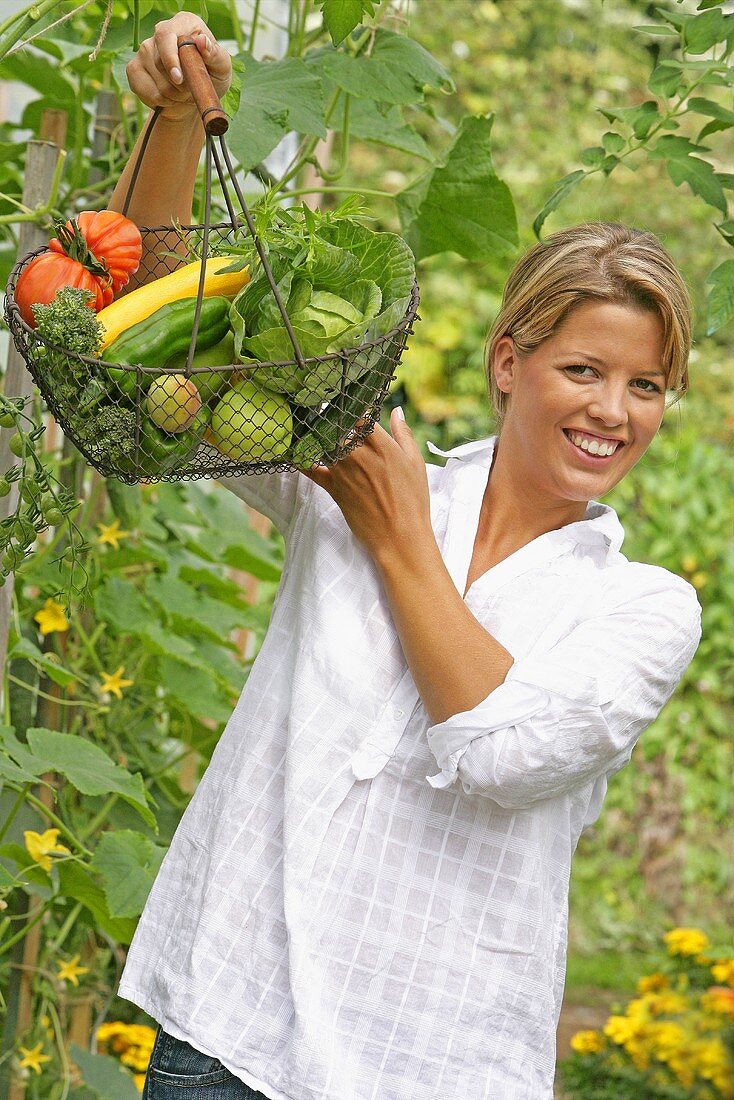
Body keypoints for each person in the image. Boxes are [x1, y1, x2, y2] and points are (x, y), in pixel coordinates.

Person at [111, 13, 702, 1100]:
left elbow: (499, 751)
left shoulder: (643, 608)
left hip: (429, 1059)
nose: (611, 411)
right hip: (227, 1024)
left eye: (645, 385)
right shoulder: (373, 470)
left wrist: (394, 538)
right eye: (582, 368)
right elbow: (163, 347)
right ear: (506, 362)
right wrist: (173, 125)